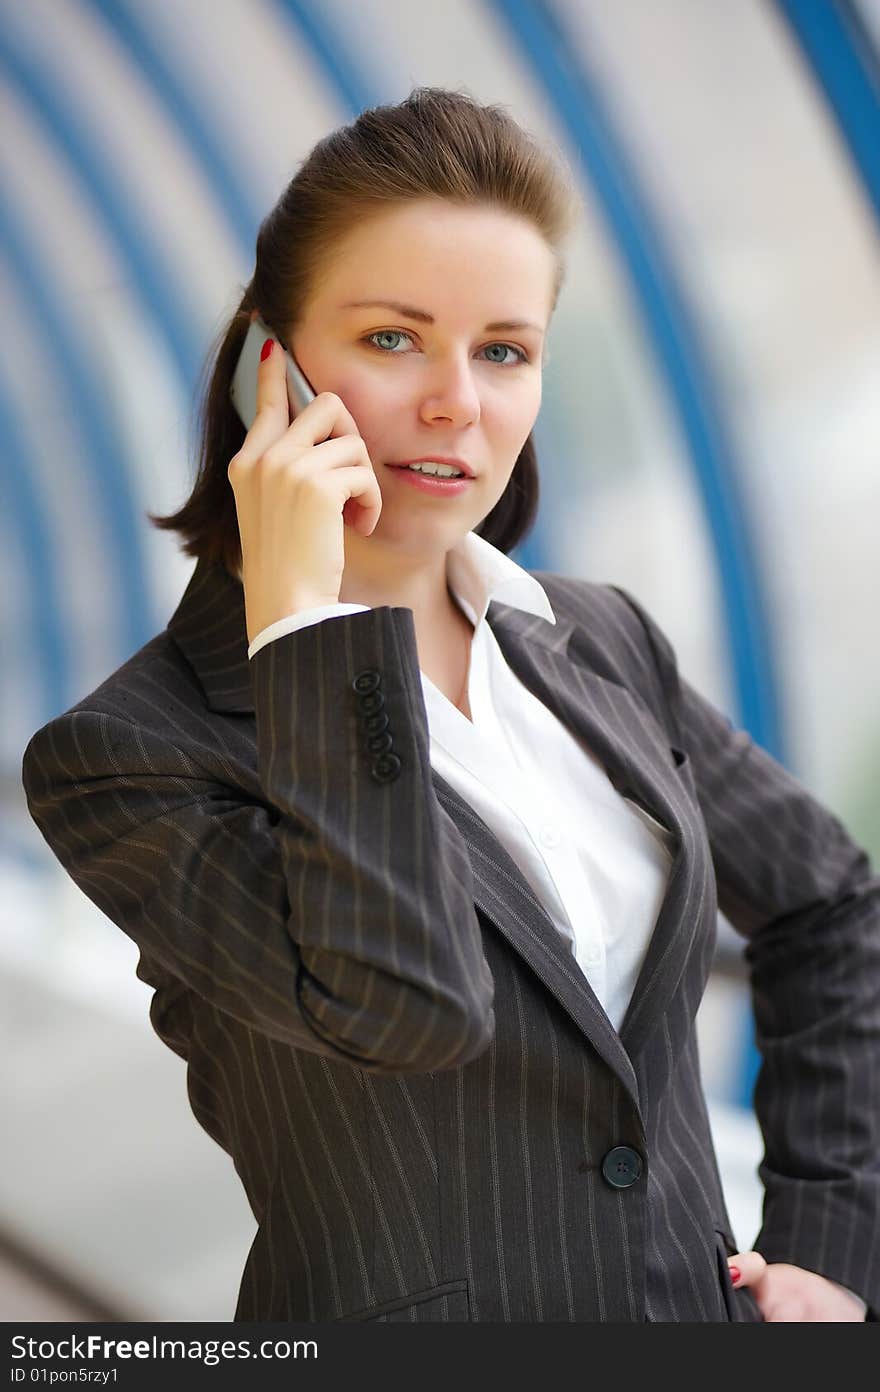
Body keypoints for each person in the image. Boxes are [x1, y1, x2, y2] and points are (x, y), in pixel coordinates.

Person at [21, 87, 877, 1323]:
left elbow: (831, 901)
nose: (456, 406)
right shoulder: (127, 755)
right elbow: (403, 1004)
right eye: (390, 339)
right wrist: (312, 630)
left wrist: (834, 1243)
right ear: (273, 363)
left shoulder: (600, 640)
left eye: (503, 351)